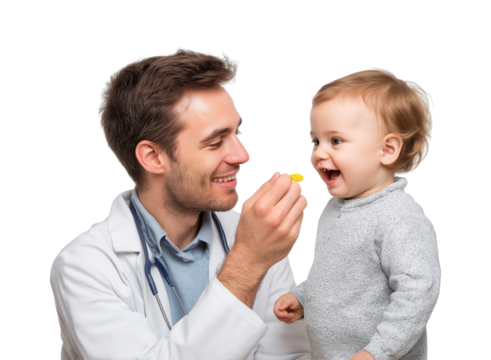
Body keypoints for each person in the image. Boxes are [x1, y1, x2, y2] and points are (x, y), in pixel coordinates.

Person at [48, 48, 311, 359]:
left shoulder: (257, 235)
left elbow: (288, 356)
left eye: (238, 132)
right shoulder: (84, 266)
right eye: (215, 141)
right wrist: (247, 263)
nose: (243, 155)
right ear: (153, 157)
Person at [273, 67, 442, 360]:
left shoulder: (400, 216)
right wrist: (302, 298)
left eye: (335, 141)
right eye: (315, 141)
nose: (319, 153)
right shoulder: (332, 207)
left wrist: (376, 352)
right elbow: (334, 276)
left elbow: (418, 293)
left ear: (387, 150)